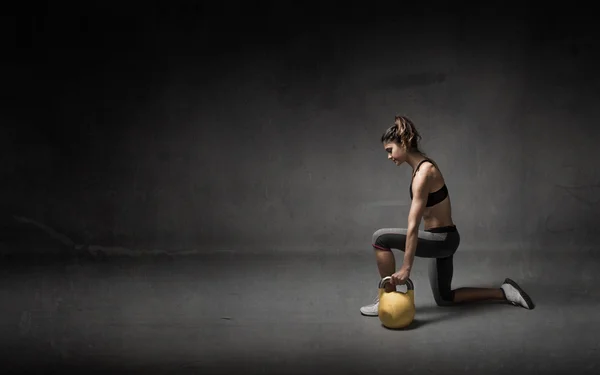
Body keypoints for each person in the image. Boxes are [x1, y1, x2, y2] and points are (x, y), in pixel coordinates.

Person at [360, 115, 534, 316]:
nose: (389, 156)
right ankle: (505, 292)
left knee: (380, 238)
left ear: (404, 143)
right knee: (444, 298)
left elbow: (413, 225)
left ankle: (386, 297)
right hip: (444, 238)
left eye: (390, 150)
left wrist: (406, 268)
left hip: (441, 239)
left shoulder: (424, 173)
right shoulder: (421, 168)